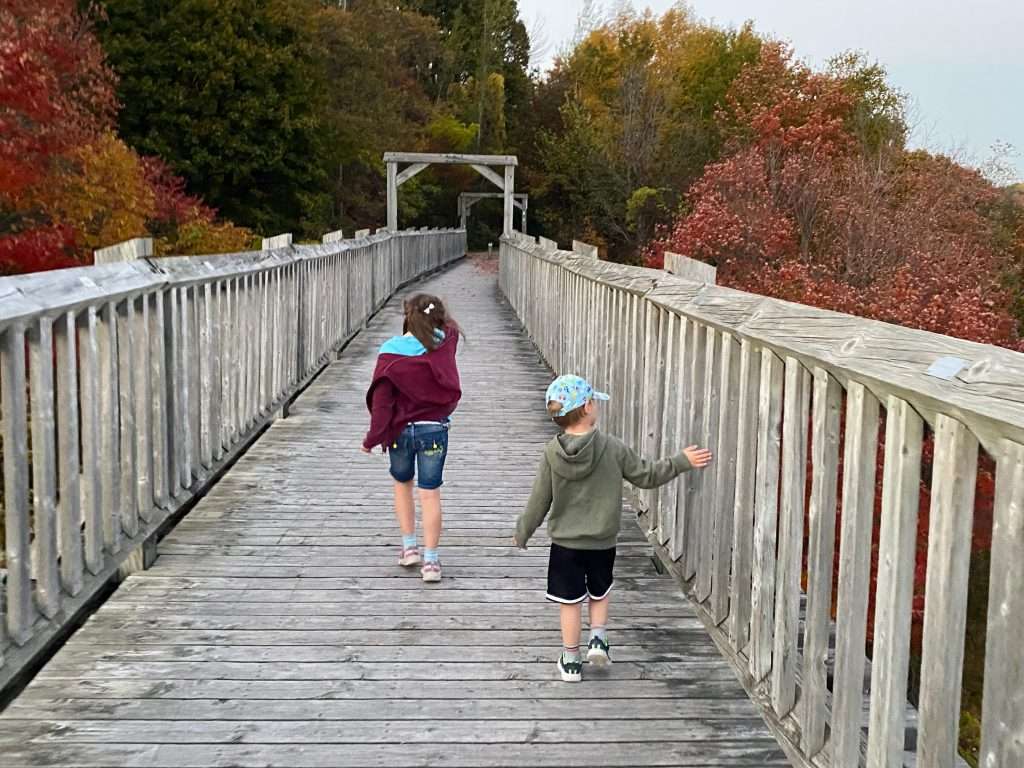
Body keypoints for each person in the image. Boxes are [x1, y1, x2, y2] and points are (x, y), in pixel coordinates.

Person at [513, 374, 712, 682]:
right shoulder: (613, 448)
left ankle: (570, 660)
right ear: (589, 406)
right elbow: (647, 475)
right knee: (599, 591)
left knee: (569, 602)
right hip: (602, 541)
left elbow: (540, 498)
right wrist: (680, 461)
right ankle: (598, 638)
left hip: (565, 544)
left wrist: (523, 530)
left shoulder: (551, 454)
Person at [363, 293, 462, 583]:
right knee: (430, 493)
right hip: (434, 430)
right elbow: (452, 328)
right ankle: (431, 562)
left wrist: (372, 437)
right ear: (439, 319)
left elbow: (382, 402)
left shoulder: (391, 351)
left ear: (406, 318)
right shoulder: (444, 344)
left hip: (400, 432)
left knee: (402, 485)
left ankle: (409, 548)